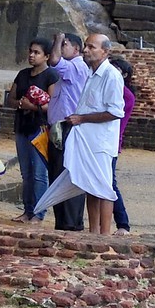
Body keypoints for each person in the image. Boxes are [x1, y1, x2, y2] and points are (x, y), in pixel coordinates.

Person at [35, 33, 122, 235]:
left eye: (92, 47)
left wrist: (82, 119)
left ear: (105, 51)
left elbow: (115, 112)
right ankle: (93, 233)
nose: (86, 50)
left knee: (104, 188)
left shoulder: (111, 75)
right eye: (86, 46)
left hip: (101, 142)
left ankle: (105, 235)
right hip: (87, 141)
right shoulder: (92, 73)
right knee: (90, 187)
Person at [7, 38, 60, 223]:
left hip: (40, 128)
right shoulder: (22, 74)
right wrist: (21, 104)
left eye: (37, 52)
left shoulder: (51, 76)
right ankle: (27, 210)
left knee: (39, 173)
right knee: (26, 173)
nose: (31, 55)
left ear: (46, 56)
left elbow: (54, 104)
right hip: (22, 126)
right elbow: (11, 99)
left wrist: (34, 107)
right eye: (30, 51)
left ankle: (39, 212)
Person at [47, 32, 90, 230]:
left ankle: (71, 223)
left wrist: (57, 38)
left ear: (76, 49)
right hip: (60, 127)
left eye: (65, 45)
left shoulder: (76, 66)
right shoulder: (70, 68)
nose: (60, 47)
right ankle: (63, 222)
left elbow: (54, 60)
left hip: (68, 126)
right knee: (57, 174)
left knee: (67, 174)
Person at [109, 56, 135, 233]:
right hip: (104, 140)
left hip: (111, 141)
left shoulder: (125, 95)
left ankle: (122, 223)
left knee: (110, 182)